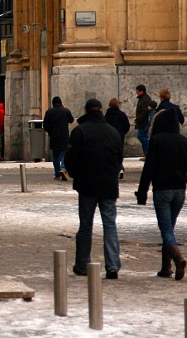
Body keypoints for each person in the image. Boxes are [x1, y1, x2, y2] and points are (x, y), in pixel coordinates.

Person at [136, 108, 187, 280]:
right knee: (169, 228)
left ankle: (178, 258)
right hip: (180, 191)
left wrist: (142, 193)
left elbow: (148, 168)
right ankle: (166, 267)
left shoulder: (157, 141)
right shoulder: (185, 142)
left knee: (166, 229)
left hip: (162, 191)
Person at [65, 98, 123, 279]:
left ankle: (82, 264)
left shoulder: (79, 131)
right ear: (102, 112)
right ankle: (112, 264)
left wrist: (76, 174)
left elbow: (71, 159)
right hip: (108, 185)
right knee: (109, 225)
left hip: (87, 185)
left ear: (85, 111)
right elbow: (119, 158)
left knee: (85, 226)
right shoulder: (113, 132)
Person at [43, 96, 74, 180]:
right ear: (61, 103)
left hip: (54, 136)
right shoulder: (65, 111)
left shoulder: (49, 112)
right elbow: (71, 120)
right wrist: (65, 108)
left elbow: (45, 124)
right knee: (64, 154)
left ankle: (57, 173)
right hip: (64, 136)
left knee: (56, 156)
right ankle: (63, 168)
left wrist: (50, 132)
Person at [105, 98, 131, 180]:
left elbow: (105, 125)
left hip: (110, 137)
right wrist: (122, 132)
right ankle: (120, 167)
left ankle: (116, 168)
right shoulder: (122, 114)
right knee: (119, 153)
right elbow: (127, 125)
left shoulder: (107, 114)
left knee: (111, 153)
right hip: (120, 136)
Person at [134, 84, 153, 160]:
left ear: (142, 91)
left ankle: (150, 150)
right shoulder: (143, 98)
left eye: (137, 91)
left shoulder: (144, 99)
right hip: (142, 122)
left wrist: (137, 120)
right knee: (143, 136)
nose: (136, 93)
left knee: (141, 136)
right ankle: (146, 154)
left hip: (144, 122)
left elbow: (144, 112)